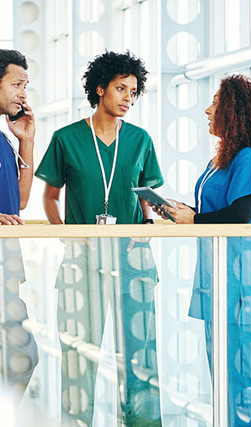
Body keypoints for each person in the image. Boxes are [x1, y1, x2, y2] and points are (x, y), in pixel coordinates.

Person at [35, 51, 164, 425]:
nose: (128, 97)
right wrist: (66, 236)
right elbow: (49, 197)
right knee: (78, 357)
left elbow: (146, 196)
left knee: (140, 358)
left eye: (134, 91)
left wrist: (148, 229)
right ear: (100, 88)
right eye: (121, 88)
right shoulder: (67, 138)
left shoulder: (140, 139)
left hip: (133, 261)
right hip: (82, 263)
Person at [157, 74, 251, 426]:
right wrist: (179, 211)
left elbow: (243, 212)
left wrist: (195, 219)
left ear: (233, 110)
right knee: (224, 372)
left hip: (240, 279)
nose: (207, 110)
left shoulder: (249, 159)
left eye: (215, 103)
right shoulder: (222, 159)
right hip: (217, 277)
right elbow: (215, 210)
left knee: (244, 372)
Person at [0, 48, 39, 402]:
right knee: (21, 357)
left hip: (7, 271)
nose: (23, 93)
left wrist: (26, 140)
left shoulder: (4, 140)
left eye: (25, 85)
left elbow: (21, 201)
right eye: (17, 84)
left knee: (22, 358)